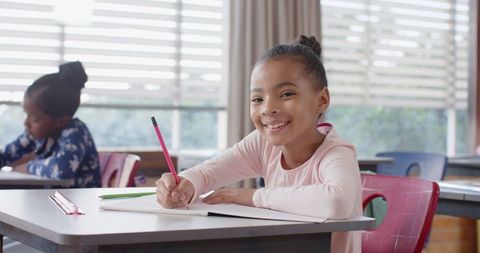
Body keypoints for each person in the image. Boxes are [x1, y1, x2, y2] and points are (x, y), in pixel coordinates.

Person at [156, 35, 362, 253]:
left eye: (286, 94)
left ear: (321, 100)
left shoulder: (336, 153)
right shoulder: (263, 143)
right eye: (257, 99)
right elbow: (209, 173)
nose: (268, 109)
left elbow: (336, 202)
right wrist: (184, 186)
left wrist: (253, 197)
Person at [0, 61, 101, 188]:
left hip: (78, 203)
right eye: (27, 115)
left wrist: (26, 167)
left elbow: (62, 169)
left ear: (61, 121)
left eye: (35, 119)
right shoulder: (36, 134)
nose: (26, 123)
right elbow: (6, 154)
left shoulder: (76, 132)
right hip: (51, 199)